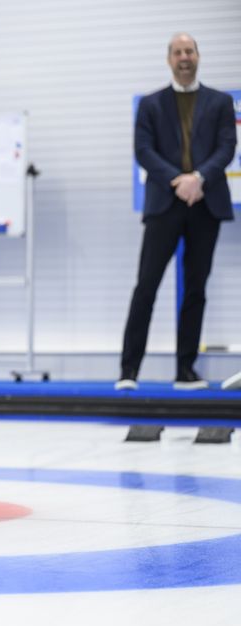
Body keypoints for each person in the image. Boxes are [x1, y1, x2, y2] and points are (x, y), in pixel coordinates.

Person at [116, 32, 236, 391]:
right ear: (169, 59)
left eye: (190, 51)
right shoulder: (151, 104)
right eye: (178, 52)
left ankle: (186, 370)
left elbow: (227, 147)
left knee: (195, 289)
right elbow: (143, 150)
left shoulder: (220, 102)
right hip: (164, 206)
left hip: (206, 204)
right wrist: (178, 180)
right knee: (146, 286)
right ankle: (128, 371)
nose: (184, 57)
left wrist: (199, 178)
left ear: (198, 56)